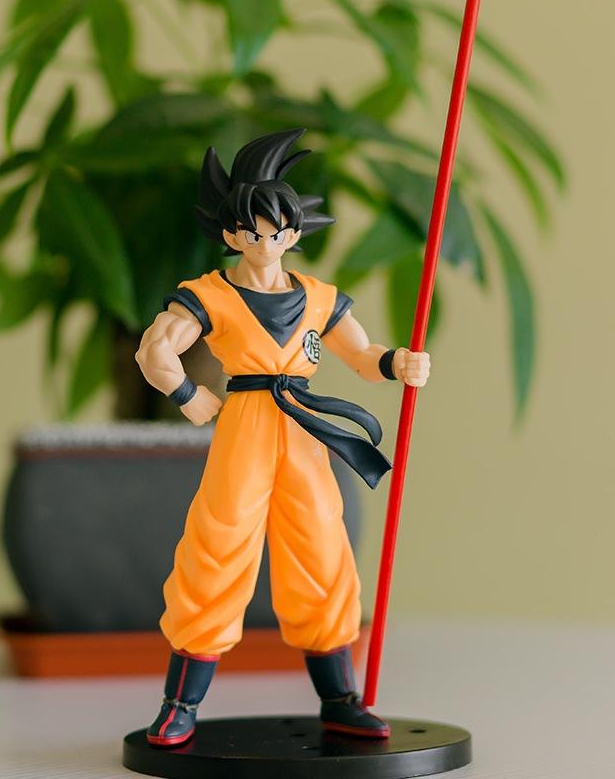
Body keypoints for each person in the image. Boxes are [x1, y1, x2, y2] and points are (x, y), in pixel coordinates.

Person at [135, 129, 430, 747]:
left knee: (322, 550)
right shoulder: (209, 295)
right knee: (217, 549)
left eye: (276, 233)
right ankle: (180, 702)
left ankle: (340, 698)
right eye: (251, 233)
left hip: (302, 432)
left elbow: (362, 355)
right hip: (244, 428)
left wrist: (397, 362)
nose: (264, 244)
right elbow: (155, 350)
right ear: (230, 234)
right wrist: (189, 396)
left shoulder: (319, 299)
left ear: (294, 234)